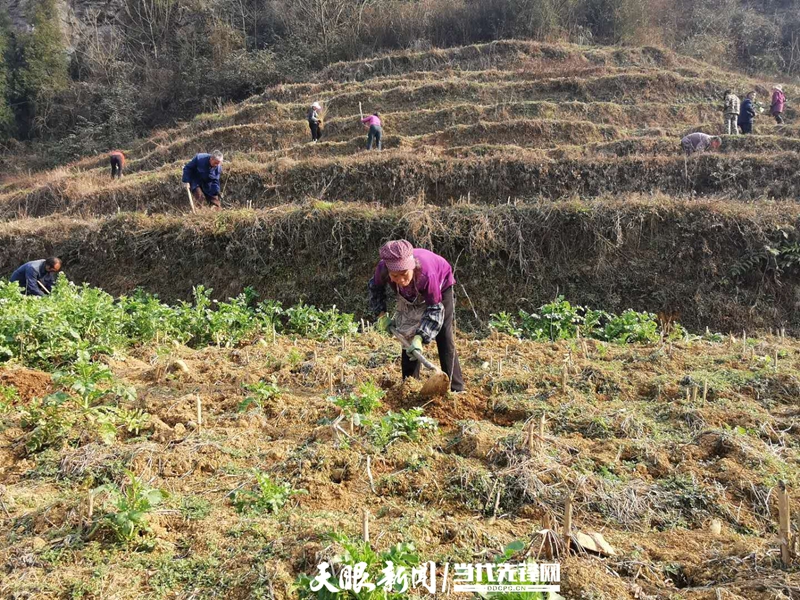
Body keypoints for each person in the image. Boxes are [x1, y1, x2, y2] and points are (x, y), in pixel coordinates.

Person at [369, 240, 464, 392]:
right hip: (409, 294)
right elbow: (376, 288)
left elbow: (434, 309)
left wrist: (420, 337)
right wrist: (381, 314)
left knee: (444, 336)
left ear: (411, 267)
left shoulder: (427, 274)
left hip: (440, 288)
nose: (400, 280)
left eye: (404, 274)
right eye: (395, 276)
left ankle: (456, 388)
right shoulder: (382, 269)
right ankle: (409, 385)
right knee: (407, 334)